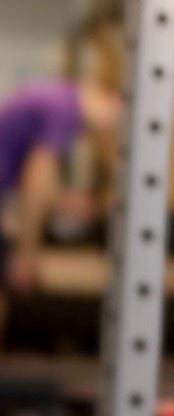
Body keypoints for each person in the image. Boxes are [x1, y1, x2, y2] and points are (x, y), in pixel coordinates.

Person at [0, 79, 119, 294]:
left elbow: (41, 180)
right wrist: (27, 253)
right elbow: (35, 183)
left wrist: (63, 202)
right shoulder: (65, 110)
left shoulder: (61, 99)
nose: (110, 134)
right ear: (114, 102)